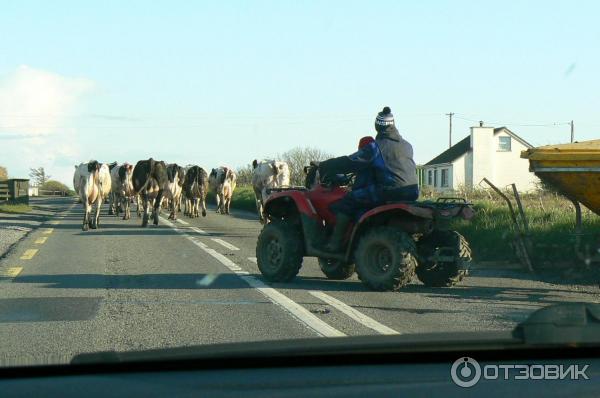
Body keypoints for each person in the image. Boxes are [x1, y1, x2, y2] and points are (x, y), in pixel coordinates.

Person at [318, 106, 419, 252]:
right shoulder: (407, 145)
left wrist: (326, 165)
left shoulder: (375, 147)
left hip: (387, 191)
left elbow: (351, 162)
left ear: (377, 126)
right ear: (393, 125)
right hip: (411, 193)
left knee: (348, 201)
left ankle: (335, 244)